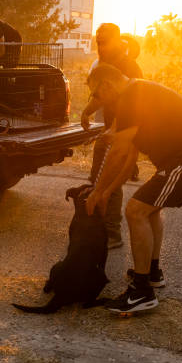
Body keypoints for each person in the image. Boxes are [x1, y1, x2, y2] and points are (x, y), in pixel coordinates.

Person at [85, 63, 182, 313]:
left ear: (107, 85)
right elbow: (128, 160)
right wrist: (104, 192)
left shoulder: (131, 97)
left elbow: (117, 152)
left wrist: (96, 191)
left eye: (97, 94)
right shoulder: (134, 95)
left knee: (135, 211)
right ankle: (152, 272)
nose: (98, 101)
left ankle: (142, 292)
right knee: (148, 209)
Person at [80, 23, 143, 250]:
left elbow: (131, 104)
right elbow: (100, 95)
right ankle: (98, 227)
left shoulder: (129, 66)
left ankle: (112, 233)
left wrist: (115, 129)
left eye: (105, 41)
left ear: (117, 41)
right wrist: (86, 111)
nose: (100, 45)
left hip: (124, 133)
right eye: (98, 41)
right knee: (98, 178)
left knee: (110, 182)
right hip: (109, 130)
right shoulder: (107, 63)